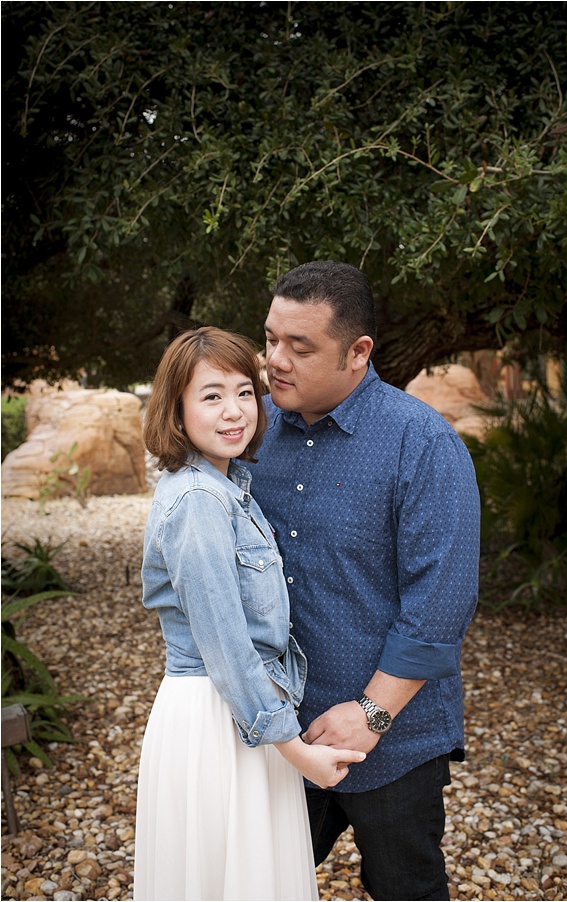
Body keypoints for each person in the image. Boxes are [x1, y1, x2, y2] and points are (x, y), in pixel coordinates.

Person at [246, 260, 481, 900]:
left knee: (406, 891)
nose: (276, 361)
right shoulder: (249, 433)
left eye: (300, 347)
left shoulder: (422, 443)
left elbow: (440, 602)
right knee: (263, 885)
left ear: (358, 352)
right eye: (270, 339)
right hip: (282, 731)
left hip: (395, 740)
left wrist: (370, 714)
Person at [135, 327, 365, 901]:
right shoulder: (197, 503)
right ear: (176, 408)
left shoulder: (226, 484)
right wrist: (298, 753)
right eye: (211, 396)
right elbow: (228, 647)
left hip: (241, 713)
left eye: (244, 391)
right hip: (220, 717)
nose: (235, 411)